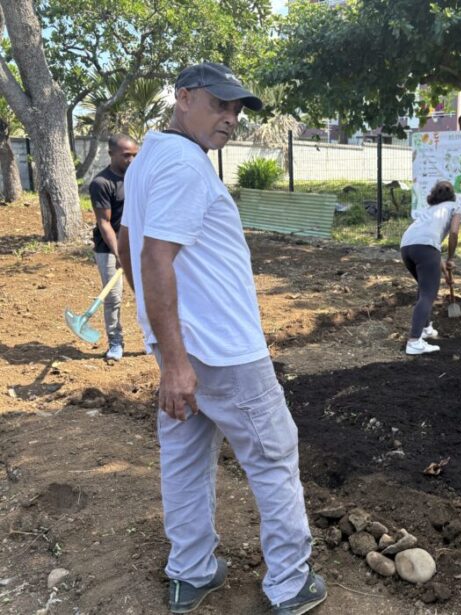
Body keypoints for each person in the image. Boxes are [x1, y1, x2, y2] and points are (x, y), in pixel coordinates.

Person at [117, 63, 325, 615]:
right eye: (220, 104)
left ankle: (191, 572)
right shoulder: (185, 167)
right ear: (184, 98)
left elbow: (129, 246)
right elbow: (155, 258)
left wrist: (165, 346)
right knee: (274, 456)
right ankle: (289, 583)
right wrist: (178, 362)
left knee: (183, 460)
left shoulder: (148, 159)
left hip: (180, 349)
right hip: (225, 354)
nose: (231, 118)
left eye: (236, 109)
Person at [399, 180, 461, 355]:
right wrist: (451, 258)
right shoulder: (455, 207)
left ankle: (426, 328)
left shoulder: (430, 211)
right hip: (425, 248)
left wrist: (443, 267)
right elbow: (454, 233)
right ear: (453, 195)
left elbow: (429, 244)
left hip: (406, 247)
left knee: (423, 287)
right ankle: (414, 342)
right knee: (429, 294)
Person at [89, 134, 139, 361]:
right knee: (114, 297)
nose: (131, 160)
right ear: (111, 154)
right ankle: (115, 341)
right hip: (109, 248)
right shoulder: (101, 183)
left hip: (138, 244)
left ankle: (154, 337)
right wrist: (120, 252)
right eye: (126, 155)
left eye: (135, 155)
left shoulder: (137, 179)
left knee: (149, 293)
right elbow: (104, 223)